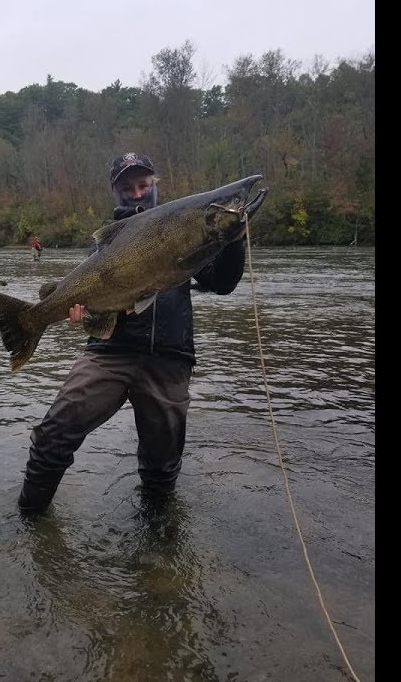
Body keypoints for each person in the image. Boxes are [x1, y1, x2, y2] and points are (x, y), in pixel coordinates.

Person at [17, 152, 249, 515]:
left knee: (162, 463)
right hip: (110, 352)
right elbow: (95, 303)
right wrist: (84, 313)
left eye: (143, 185)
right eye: (127, 188)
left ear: (155, 185)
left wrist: (234, 242)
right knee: (54, 434)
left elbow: (221, 284)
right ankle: (29, 521)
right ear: (115, 192)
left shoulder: (186, 229)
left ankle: (158, 546)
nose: (137, 194)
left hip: (170, 356)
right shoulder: (103, 244)